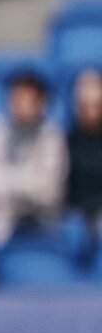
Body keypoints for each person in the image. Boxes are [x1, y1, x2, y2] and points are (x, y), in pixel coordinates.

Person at [0, 70, 67, 248]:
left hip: (38, 219)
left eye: (28, 100)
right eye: (15, 99)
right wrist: (24, 181)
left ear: (41, 103)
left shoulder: (52, 136)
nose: (20, 105)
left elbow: (49, 191)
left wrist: (5, 181)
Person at [65, 67, 102, 260]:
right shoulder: (65, 141)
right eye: (85, 105)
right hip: (75, 213)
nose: (92, 111)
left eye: (97, 105)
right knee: (72, 231)